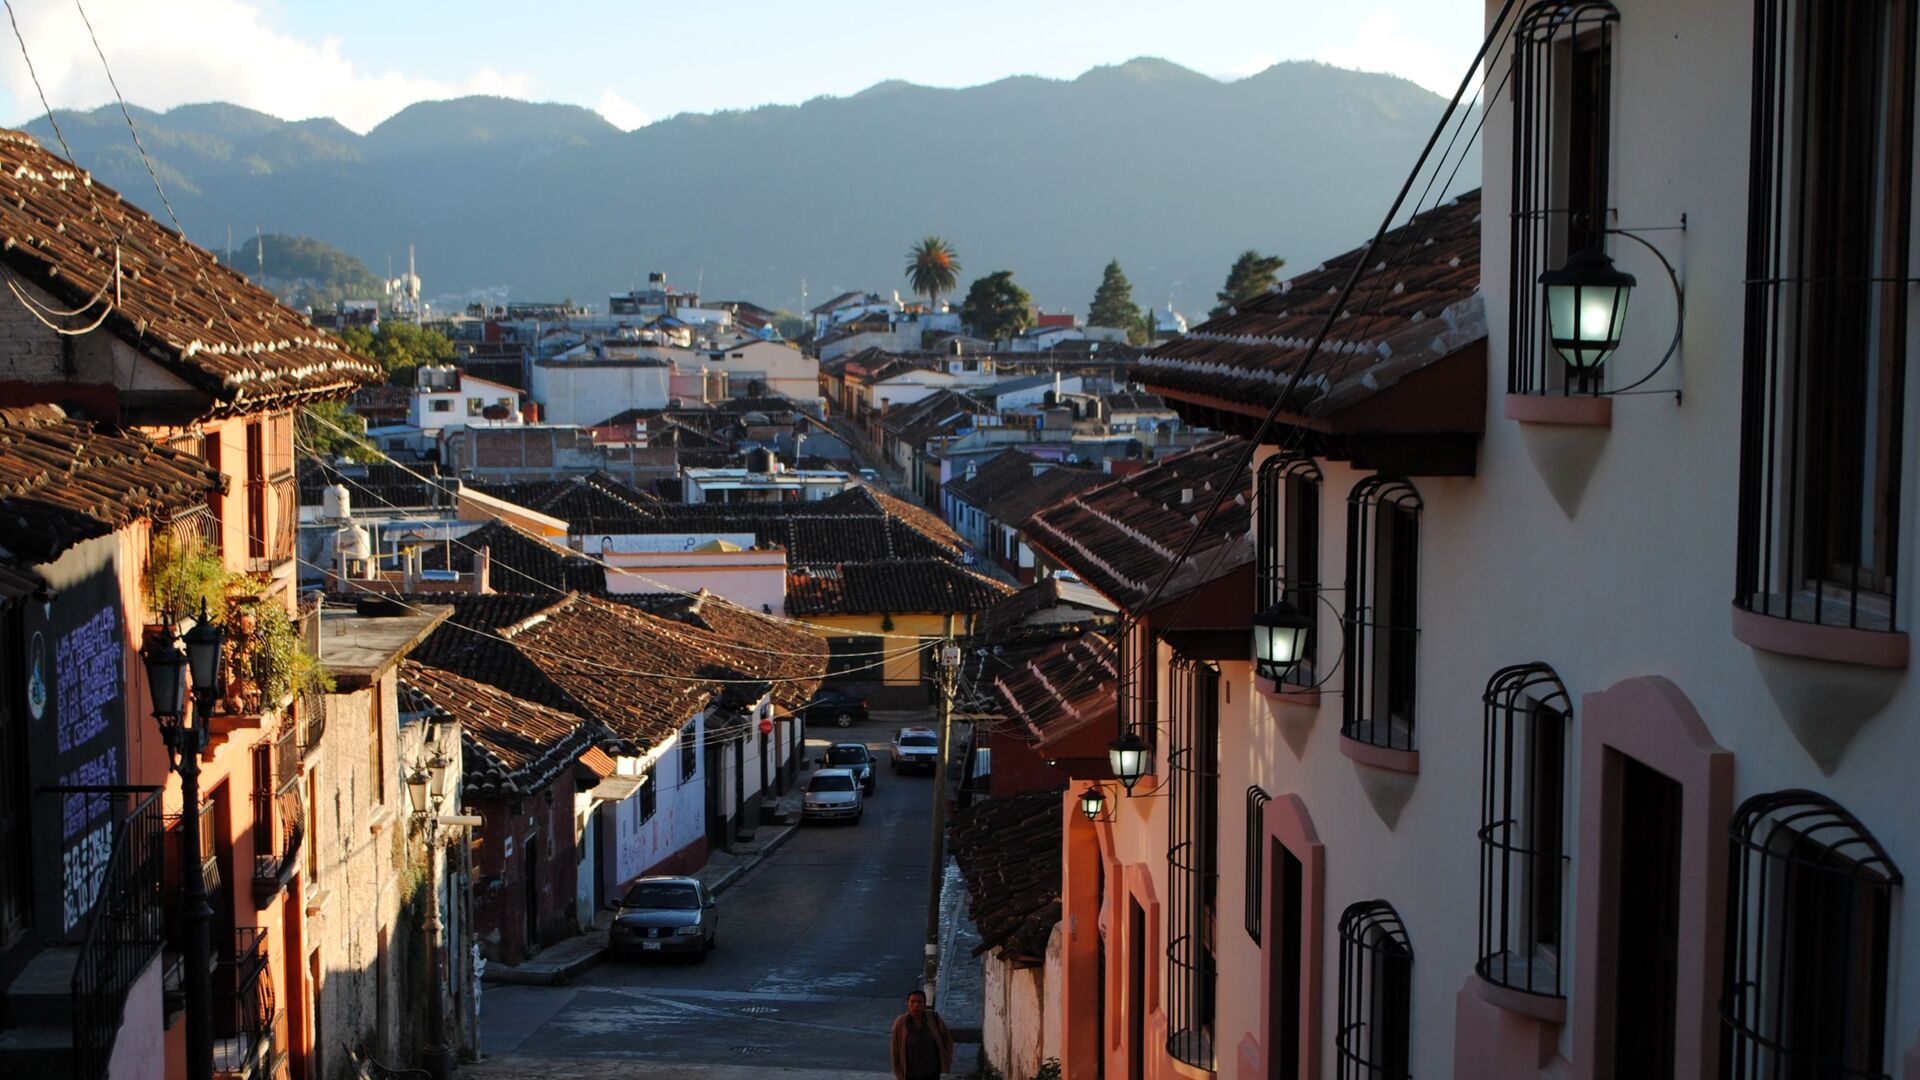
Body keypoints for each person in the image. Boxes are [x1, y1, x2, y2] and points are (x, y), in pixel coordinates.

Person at [890, 988, 954, 1080]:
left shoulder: (933, 1019)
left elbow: (947, 1040)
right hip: (910, 1074)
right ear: (908, 1004)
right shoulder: (900, 1022)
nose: (916, 1005)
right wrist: (898, 1073)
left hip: (931, 1071)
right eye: (912, 1002)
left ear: (924, 1004)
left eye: (919, 1002)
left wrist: (947, 1058)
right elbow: (895, 1050)